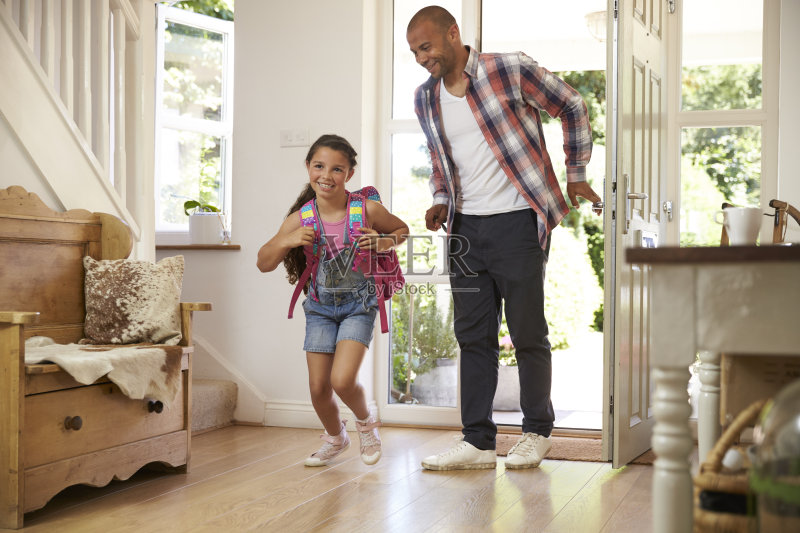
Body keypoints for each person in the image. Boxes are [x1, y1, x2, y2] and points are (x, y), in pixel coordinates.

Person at [406, 6, 603, 470]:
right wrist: (439, 197)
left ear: (453, 34)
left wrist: (576, 175)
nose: (421, 58)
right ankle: (477, 442)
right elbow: (440, 161)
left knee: (528, 333)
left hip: (517, 221)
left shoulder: (508, 69)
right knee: (473, 337)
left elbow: (572, 104)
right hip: (466, 230)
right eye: (414, 52)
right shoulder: (425, 99)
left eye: (426, 47)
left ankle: (536, 432)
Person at [257, 134, 409, 467]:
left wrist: (383, 241)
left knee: (342, 380)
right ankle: (336, 437)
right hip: (320, 308)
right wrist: (289, 240)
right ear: (308, 168)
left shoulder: (365, 208)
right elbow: (263, 261)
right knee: (317, 387)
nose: (326, 175)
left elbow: (402, 231)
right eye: (319, 166)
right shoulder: (301, 218)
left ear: (349, 174)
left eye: (337, 169)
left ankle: (366, 424)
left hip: (359, 305)